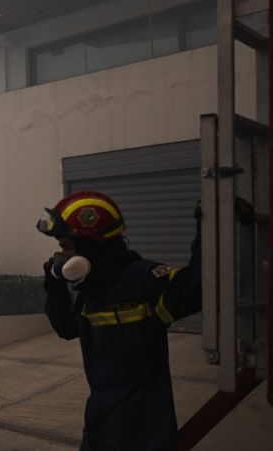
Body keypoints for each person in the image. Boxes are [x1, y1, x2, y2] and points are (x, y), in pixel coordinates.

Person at [36, 191, 205, 451]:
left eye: (66, 246)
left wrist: (206, 225)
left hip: (144, 430)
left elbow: (195, 288)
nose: (62, 256)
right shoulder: (92, 290)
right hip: (101, 424)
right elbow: (66, 328)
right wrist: (55, 286)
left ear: (90, 244)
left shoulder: (142, 278)